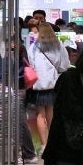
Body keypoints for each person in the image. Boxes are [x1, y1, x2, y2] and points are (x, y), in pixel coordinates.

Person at [27, 20, 70, 153]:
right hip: (53, 83)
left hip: (39, 85)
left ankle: (43, 145)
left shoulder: (34, 47)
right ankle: (53, 143)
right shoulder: (59, 45)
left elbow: (32, 65)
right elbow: (64, 65)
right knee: (51, 113)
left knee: (40, 114)